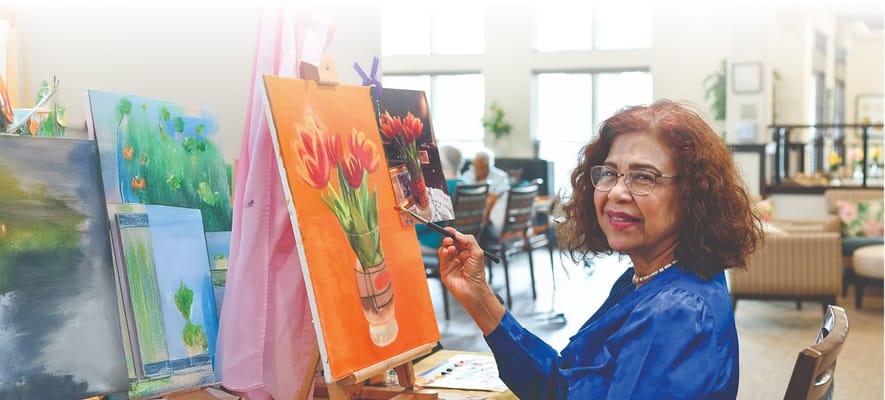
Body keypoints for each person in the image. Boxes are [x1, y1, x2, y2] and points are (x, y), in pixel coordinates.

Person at [437, 100, 764, 399]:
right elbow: (562, 386)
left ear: (692, 194)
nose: (617, 192)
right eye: (609, 173)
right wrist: (479, 296)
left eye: (643, 177)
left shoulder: (677, 312)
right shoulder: (647, 279)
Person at [416, 145, 464, 253]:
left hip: (435, 243)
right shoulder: (464, 184)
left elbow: (425, 224)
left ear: (440, 163)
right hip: (459, 243)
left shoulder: (442, 189)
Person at [460, 148, 511, 239]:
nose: (478, 169)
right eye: (476, 166)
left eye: (482, 166)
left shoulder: (500, 177)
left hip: (492, 223)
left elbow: (492, 199)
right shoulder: (468, 175)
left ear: (489, 165)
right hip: (470, 218)